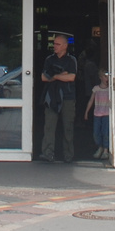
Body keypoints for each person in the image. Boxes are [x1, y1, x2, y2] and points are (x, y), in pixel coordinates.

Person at [40, 32, 78, 162]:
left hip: (67, 97)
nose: (54, 46)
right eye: (54, 43)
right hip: (51, 97)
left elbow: (72, 77)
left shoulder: (71, 60)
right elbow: (44, 77)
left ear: (65, 46)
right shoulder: (49, 59)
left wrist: (55, 76)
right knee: (49, 126)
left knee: (68, 126)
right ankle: (47, 153)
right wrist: (61, 75)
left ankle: (68, 155)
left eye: (57, 44)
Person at [86, 70, 111, 161]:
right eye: (105, 76)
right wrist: (86, 112)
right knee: (96, 133)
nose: (107, 79)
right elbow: (91, 100)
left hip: (107, 114)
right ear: (100, 77)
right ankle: (100, 147)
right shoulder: (96, 88)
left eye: (108, 77)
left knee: (105, 132)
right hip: (97, 113)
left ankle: (105, 150)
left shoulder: (110, 89)